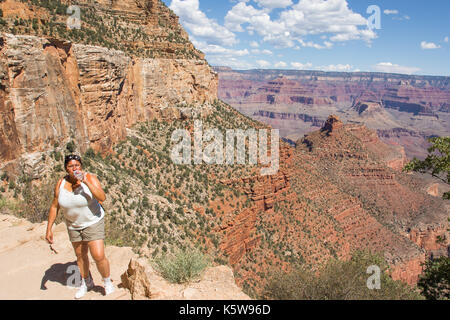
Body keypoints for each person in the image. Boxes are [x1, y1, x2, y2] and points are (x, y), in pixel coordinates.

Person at [45, 154, 114, 299]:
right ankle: (86, 282)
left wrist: (86, 183)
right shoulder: (61, 184)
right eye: (71, 166)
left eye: (77, 165)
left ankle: (107, 282)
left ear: (81, 166)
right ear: (66, 169)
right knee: (80, 256)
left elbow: (102, 197)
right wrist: (49, 228)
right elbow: (54, 206)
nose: (74, 168)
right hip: (73, 225)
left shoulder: (90, 178)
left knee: (98, 255)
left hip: (93, 221)